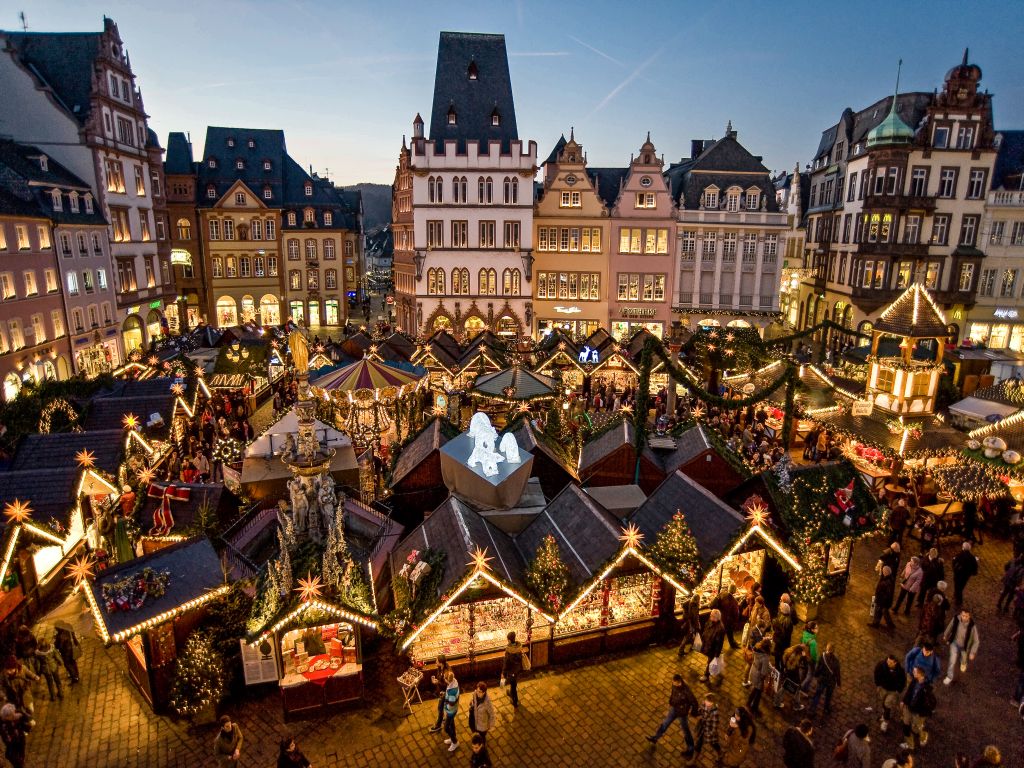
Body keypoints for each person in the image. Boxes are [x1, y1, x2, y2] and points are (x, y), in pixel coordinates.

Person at [645, 673, 697, 756]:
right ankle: (655, 738)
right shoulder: (674, 685)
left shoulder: (687, 691)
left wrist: (693, 712)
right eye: (672, 682)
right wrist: (671, 701)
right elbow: (673, 693)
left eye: (674, 683)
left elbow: (694, 702)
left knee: (686, 731)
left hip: (682, 713)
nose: (672, 684)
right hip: (674, 709)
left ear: (679, 682)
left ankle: (690, 748)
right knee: (664, 724)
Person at [900, 666, 936, 751]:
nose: (913, 672)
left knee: (916, 729)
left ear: (919, 674)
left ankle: (923, 736)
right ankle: (910, 744)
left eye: (915, 672)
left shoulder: (927, 688)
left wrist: (922, 713)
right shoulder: (914, 681)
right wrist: (904, 701)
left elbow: (930, 703)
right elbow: (909, 691)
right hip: (909, 708)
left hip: (918, 713)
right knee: (906, 726)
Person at [942, 607, 980, 685]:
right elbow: (950, 626)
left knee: (963, 658)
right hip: (955, 643)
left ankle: (963, 663)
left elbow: (976, 641)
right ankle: (949, 676)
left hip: (965, 646)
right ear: (960, 615)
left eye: (966, 616)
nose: (964, 617)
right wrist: (946, 634)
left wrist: (972, 652)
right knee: (952, 660)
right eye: (963, 615)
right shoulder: (956, 619)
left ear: (969, 616)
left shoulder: (972, 626)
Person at [874, 654, 907, 733]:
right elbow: (876, 673)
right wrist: (878, 684)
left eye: (890, 662)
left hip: (892, 691)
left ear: (895, 663)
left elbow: (903, 681)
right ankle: (884, 715)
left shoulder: (900, 671)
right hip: (883, 688)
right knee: (883, 703)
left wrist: (898, 690)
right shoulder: (882, 665)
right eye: (888, 661)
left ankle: (885, 721)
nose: (888, 663)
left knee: (887, 705)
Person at [808, 642, 841, 717]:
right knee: (828, 696)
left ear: (827, 648)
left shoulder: (822, 657)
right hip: (831, 682)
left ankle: (812, 710)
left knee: (817, 695)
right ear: (833, 651)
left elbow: (818, 668)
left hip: (822, 680)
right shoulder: (836, 661)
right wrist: (838, 683)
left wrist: (816, 675)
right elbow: (837, 673)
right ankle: (826, 708)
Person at [775, 644, 809, 711]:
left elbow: (783, 662)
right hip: (794, 677)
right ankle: (796, 705)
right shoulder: (799, 658)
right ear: (801, 651)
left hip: (786, 673)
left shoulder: (788, 652)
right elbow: (805, 666)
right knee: (797, 690)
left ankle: (776, 701)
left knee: (783, 688)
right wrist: (804, 656)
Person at [698, 609, 727, 683]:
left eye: (712, 616)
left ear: (716, 618)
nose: (710, 616)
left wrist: (716, 655)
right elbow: (706, 630)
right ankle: (719, 671)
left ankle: (706, 675)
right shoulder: (710, 621)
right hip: (708, 645)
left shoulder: (720, 629)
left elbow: (719, 644)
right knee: (713, 661)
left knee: (710, 661)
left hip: (713, 649)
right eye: (711, 615)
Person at [745, 639, 772, 716]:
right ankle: (754, 708)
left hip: (753, 670)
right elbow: (763, 672)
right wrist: (768, 672)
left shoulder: (756, 650)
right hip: (759, 676)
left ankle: (748, 703)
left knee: (755, 689)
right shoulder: (765, 657)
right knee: (758, 692)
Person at [427, 654, 451, 733]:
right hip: (441, 692)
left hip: (444, 693)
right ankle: (445, 718)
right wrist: (436, 681)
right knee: (443, 707)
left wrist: (438, 682)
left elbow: (447, 684)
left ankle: (438, 725)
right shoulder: (440, 668)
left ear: (441, 663)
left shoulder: (447, 672)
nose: (435, 662)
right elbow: (441, 681)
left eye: (436, 661)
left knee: (440, 708)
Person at [693, 693, 721, 759]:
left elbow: (714, 729)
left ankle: (720, 753)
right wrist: (697, 712)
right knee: (698, 744)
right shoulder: (704, 703)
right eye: (706, 701)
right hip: (702, 728)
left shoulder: (715, 714)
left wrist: (707, 735)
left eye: (709, 703)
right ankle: (693, 759)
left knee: (713, 744)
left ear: (713, 703)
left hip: (708, 731)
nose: (706, 704)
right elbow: (700, 710)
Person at [501, 631, 525, 708]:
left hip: (511, 672)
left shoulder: (509, 651)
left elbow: (506, 663)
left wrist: (503, 673)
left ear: (509, 640)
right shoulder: (518, 648)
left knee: (513, 686)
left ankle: (515, 702)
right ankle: (511, 693)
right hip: (517, 670)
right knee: (514, 684)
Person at [0, 704, 28, 768]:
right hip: (13, 745)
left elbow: (27, 723)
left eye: (14, 713)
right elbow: (9, 740)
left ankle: (21, 760)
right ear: (6, 717)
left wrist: (22, 716)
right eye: (12, 715)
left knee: (22, 754)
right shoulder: (4, 726)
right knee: (17, 760)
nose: (14, 715)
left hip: (20, 739)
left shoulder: (14, 717)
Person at [952, 541, 979, 606]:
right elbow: (975, 567)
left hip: (958, 574)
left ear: (963, 548)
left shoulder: (959, 555)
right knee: (961, 586)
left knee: (958, 587)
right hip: (966, 576)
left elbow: (954, 563)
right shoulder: (972, 557)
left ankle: (959, 600)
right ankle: (956, 594)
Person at [772, 602, 795, 670]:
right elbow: (789, 632)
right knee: (784, 656)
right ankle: (782, 668)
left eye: (780, 608)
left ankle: (777, 668)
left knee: (777, 656)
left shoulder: (777, 620)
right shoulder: (789, 621)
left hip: (779, 641)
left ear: (782, 611)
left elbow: (775, 629)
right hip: (786, 642)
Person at [442, 669, 460, 752]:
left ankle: (454, 741)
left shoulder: (452, 691)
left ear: (447, 680)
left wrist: (446, 704)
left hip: (451, 711)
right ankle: (453, 738)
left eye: (444, 678)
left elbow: (452, 703)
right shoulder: (454, 682)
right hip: (453, 709)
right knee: (451, 724)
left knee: (446, 728)